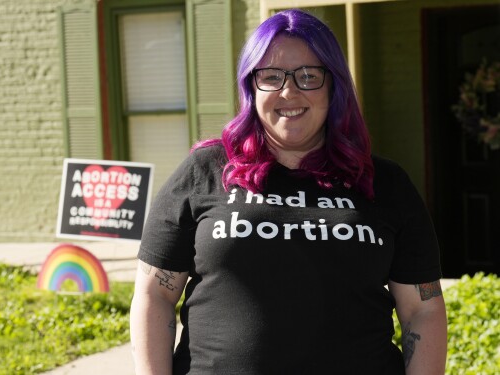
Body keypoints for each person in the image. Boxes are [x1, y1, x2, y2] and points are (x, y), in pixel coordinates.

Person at [130, 8, 447, 375]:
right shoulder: (205, 171)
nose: (289, 91)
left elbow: (422, 309)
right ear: (251, 86)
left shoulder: (385, 183)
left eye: (308, 76)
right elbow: (155, 294)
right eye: (271, 76)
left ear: (334, 85)